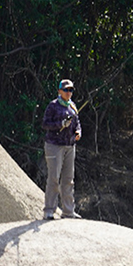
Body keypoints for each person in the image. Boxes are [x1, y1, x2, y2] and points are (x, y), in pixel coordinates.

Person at [41, 79, 82, 220]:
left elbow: (77, 123)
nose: (68, 93)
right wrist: (61, 124)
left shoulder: (73, 106)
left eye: (71, 90)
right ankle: (49, 210)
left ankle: (68, 211)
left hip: (70, 146)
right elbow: (45, 124)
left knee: (69, 179)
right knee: (54, 178)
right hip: (54, 146)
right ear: (59, 91)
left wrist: (78, 132)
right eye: (66, 90)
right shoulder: (53, 106)